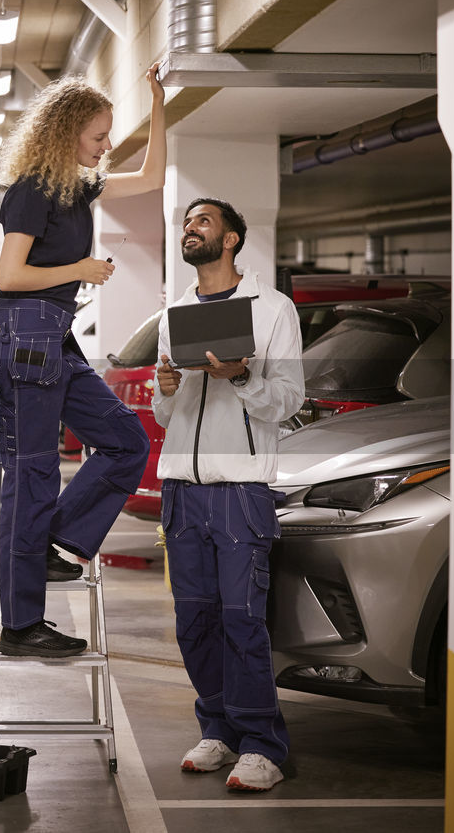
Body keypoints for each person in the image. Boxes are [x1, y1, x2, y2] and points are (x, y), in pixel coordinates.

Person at [0, 64, 166, 657]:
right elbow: (10, 275)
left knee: (125, 441)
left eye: (108, 135)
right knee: (32, 476)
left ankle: (54, 541)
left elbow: (154, 174)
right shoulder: (32, 191)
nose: (106, 147)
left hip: (52, 335)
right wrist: (80, 270)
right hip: (23, 333)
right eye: (97, 137)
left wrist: (159, 100)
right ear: (65, 135)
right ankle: (21, 627)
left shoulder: (76, 188)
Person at [152, 198, 304, 791]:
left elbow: (289, 401)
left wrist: (240, 377)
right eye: (187, 222)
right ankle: (217, 728)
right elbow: (170, 415)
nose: (190, 228)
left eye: (203, 221)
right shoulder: (176, 313)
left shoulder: (273, 310)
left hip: (240, 489)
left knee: (244, 620)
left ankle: (263, 744)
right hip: (182, 490)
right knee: (194, 620)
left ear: (233, 239)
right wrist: (166, 388)